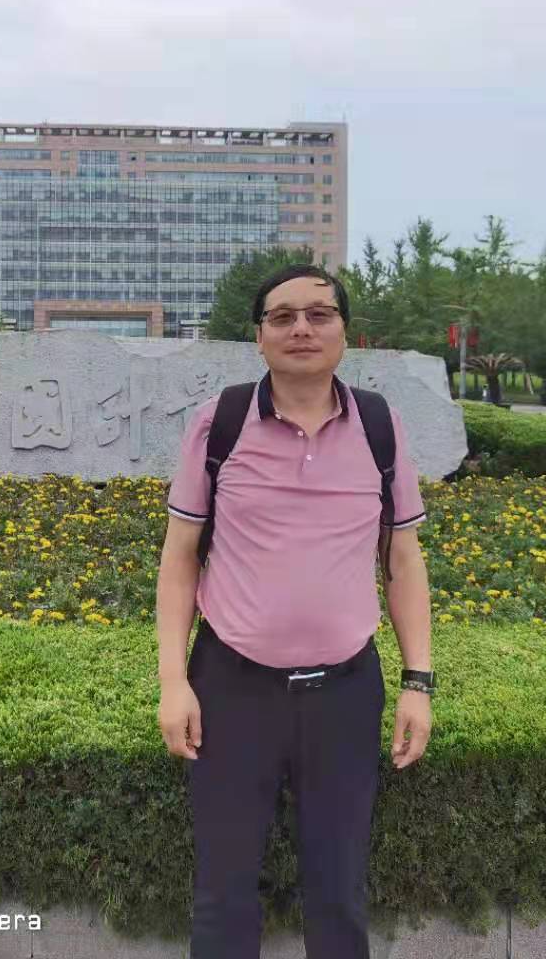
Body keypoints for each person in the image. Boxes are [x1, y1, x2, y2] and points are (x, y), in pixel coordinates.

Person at [156, 264, 434, 959]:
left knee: (339, 892)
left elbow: (403, 560)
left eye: (319, 314)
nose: (301, 329)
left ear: (345, 331)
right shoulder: (220, 423)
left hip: (345, 690)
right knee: (223, 894)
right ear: (259, 337)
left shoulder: (379, 426)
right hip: (231, 688)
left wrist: (418, 682)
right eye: (282, 317)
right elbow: (180, 555)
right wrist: (172, 681)